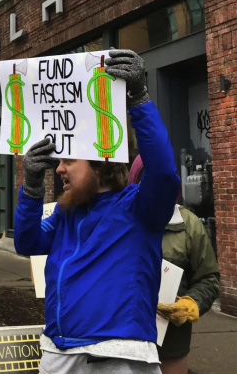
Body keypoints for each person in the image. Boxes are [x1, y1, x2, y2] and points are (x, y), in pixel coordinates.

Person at [14, 49, 181, 374]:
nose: (58, 169)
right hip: (58, 351)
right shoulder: (66, 213)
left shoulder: (138, 208)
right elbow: (27, 242)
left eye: (69, 161)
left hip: (118, 355)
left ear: (101, 165)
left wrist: (139, 99)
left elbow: (162, 173)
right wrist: (31, 186)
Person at [129, 155, 220, 374]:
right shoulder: (120, 222)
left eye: (162, 179)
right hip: (125, 341)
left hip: (171, 344)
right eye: (146, 178)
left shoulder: (190, 225)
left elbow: (208, 279)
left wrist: (191, 304)